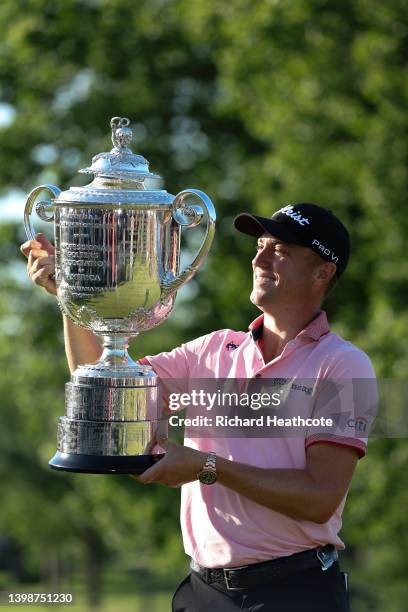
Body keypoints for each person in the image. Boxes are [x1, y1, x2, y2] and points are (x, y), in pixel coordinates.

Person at [21, 202, 376, 612]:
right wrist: (72, 297)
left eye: (280, 249)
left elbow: (319, 499)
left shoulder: (343, 364)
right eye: (260, 245)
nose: (259, 258)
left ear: (323, 272)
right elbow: (102, 392)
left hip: (293, 592)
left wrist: (204, 467)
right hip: (204, 591)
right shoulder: (211, 349)